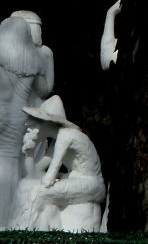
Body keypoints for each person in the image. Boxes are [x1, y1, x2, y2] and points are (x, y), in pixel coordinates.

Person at [10, 95, 105, 232]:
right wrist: (29, 154)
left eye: (35, 121)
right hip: (75, 179)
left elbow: (47, 180)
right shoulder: (58, 142)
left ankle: (23, 239)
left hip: (91, 184)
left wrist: (44, 182)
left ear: (47, 122)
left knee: (39, 193)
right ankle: (25, 236)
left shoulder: (66, 136)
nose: (29, 125)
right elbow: (34, 174)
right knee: (26, 185)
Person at [0, 16, 43, 228]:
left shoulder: (2, 58)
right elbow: (44, 89)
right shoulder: (32, 60)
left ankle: (3, 219)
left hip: (3, 113)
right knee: (11, 163)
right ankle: (9, 216)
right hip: (19, 117)